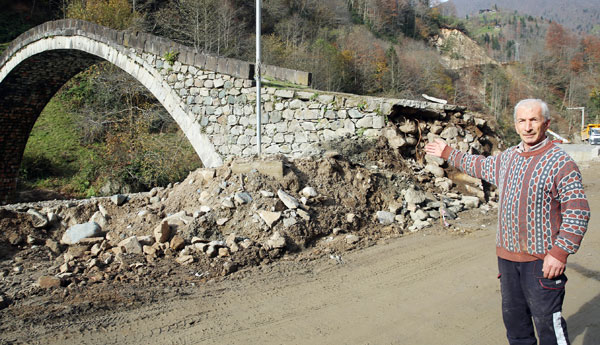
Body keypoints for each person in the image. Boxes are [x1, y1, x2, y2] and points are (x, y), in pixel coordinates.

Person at [425, 99, 590, 345]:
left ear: (546, 123)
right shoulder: (509, 157)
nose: (528, 126)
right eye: (522, 121)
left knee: (548, 326)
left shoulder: (561, 163)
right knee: (516, 326)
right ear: (515, 125)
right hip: (508, 259)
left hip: (542, 262)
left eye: (533, 120)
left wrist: (560, 252)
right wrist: (448, 153)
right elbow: (480, 165)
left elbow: (578, 211)